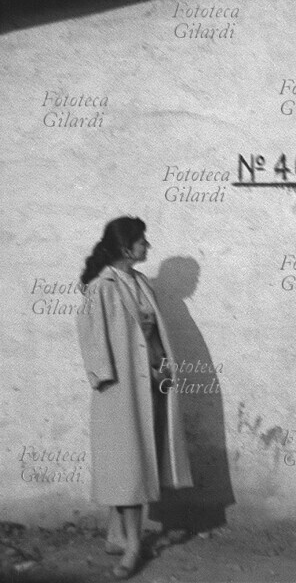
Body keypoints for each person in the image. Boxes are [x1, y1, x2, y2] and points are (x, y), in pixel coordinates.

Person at [77, 217, 193, 579]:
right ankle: (132, 546)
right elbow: (92, 339)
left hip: (148, 386)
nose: (148, 247)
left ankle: (117, 536)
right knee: (127, 467)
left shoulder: (141, 283)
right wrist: (106, 379)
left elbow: (152, 334)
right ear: (127, 247)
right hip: (119, 390)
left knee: (135, 462)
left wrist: (162, 366)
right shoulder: (103, 287)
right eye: (143, 241)